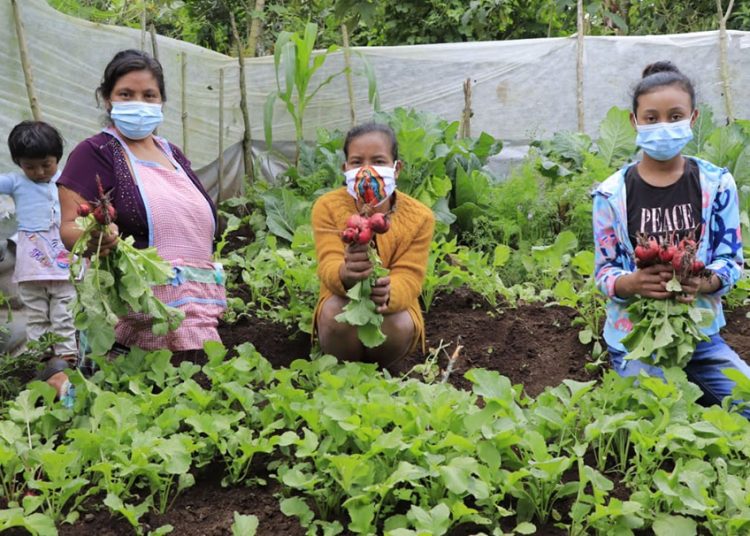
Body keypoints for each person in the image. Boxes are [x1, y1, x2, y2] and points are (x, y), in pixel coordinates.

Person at [593, 61, 749, 412]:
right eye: (651, 118)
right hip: (635, 338)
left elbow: (730, 261)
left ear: (693, 119)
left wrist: (703, 282)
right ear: (634, 122)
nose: (663, 126)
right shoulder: (611, 194)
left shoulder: (716, 184)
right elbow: (604, 273)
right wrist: (632, 283)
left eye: (675, 116)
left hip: (700, 336)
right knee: (653, 414)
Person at [58, 49, 225, 359]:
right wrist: (94, 237)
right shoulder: (94, 152)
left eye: (149, 95)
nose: (139, 103)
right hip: (134, 324)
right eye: (126, 94)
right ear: (107, 99)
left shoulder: (172, 153)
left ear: (161, 101)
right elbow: (69, 227)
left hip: (198, 314)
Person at [312, 123, 434, 368]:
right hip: (342, 300)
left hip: (391, 312)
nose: (367, 171)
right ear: (345, 168)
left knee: (399, 324)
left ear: (396, 169)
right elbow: (328, 263)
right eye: (357, 162)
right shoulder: (327, 207)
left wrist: (389, 292)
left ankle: (382, 371)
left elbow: (410, 276)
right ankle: (343, 369)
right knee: (334, 313)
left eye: (378, 161)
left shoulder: (421, 217)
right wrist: (344, 274)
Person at [0, 121, 76, 399]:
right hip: (31, 265)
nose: (40, 172)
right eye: (30, 166)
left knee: (63, 311)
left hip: (62, 263)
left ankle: (67, 358)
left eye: (46, 164)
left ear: (57, 158)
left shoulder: (67, 182)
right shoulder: (16, 182)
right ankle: (42, 358)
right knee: (37, 314)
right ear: (19, 163)